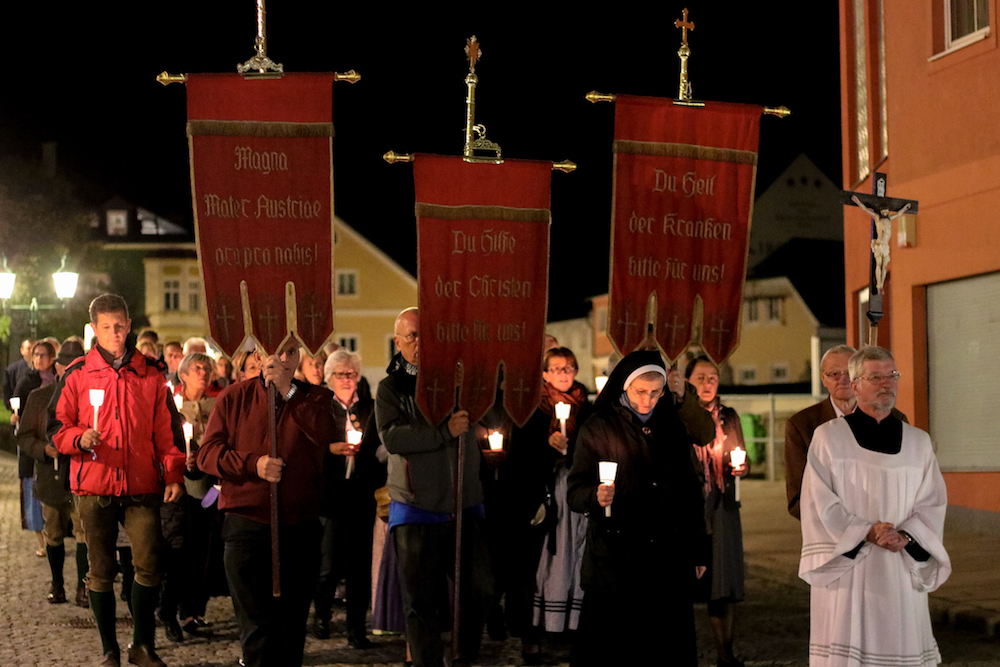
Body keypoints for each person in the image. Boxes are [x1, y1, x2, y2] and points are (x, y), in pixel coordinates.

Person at [53, 293, 185, 667]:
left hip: (141, 485)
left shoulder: (150, 373)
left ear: (130, 325)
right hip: (94, 486)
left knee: (148, 563)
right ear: (93, 329)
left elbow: (166, 429)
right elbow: (57, 428)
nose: (115, 333)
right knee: (100, 571)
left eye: (121, 326)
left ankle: (142, 646)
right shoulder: (78, 373)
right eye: (107, 327)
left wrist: (173, 471)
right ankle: (109, 649)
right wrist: (79, 438)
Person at [799, 346, 950, 667]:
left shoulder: (918, 442)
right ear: (854, 385)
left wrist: (907, 537)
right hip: (851, 570)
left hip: (900, 566)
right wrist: (866, 532)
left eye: (891, 376)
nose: (886, 384)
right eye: (876, 377)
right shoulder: (828, 438)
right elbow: (817, 502)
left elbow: (933, 503)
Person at [567, 349, 715, 667]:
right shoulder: (598, 427)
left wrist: (699, 549)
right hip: (616, 558)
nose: (647, 400)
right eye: (640, 392)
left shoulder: (672, 427)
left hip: (667, 559)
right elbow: (575, 491)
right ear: (624, 386)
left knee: (665, 648)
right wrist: (596, 496)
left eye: (655, 392)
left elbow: (690, 493)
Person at [197, 341, 336, 667]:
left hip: (299, 527)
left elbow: (325, 433)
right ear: (258, 357)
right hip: (248, 524)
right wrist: (252, 465)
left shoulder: (316, 397)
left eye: (290, 352)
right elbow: (207, 454)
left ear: (298, 356)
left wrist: (288, 392)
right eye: (273, 351)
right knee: (258, 630)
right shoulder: (234, 397)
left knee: (292, 630)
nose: (282, 358)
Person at [375, 307, 492, 667]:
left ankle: (464, 658)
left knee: (481, 590)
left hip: (464, 503)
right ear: (398, 342)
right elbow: (393, 437)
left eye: (425, 334)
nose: (420, 343)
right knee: (421, 602)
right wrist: (443, 433)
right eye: (411, 336)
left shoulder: (457, 380)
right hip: (417, 508)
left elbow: (487, 412)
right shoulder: (391, 387)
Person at [503, 347, 591, 663]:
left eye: (569, 367)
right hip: (542, 497)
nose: (563, 373)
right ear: (544, 374)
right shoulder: (533, 409)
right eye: (556, 369)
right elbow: (521, 456)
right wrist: (548, 447)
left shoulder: (587, 407)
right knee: (538, 566)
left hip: (577, 497)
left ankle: (571, 629)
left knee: (575, 560)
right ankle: (532, 635)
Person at [785, 345, 908, 520]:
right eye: (834, 374)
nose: (843, 380)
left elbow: (904, 481)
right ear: (823, 379)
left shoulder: (893, 419)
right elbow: (798, 498)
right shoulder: (802, 425)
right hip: (829, 530)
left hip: (885, 526)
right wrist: (849, 526)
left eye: (849, 373)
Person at [312, 348, 382, 647]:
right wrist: (332, 449)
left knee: (358, 566)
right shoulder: (321, 408)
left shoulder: (369, 408)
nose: (346, 379)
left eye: (351, 374)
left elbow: (380, 446)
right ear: (329, 378)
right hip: (331, 496)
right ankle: (321, 616)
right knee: (328, 564)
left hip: (361, 495)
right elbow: (311, 449)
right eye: (340, 374)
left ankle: (357, 628)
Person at [686, 356, 749, 667]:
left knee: (723, 583)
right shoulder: (680, 416)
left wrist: (741, 465)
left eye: (712, 377)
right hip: (691, 507)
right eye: (700, 377)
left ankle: (726, 652)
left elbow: (740, 451)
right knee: (689, 579)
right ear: (687, 381)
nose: (707, 382)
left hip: (723, 504)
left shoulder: (729, 417)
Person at [16, 339, 89, 606]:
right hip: (51, 476)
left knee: (83, 532)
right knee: (54, 531)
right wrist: (44, 449)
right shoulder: (39, 398)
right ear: (58, 367)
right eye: (69, 366)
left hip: (81, 477)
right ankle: (57, 583)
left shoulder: (89, 400)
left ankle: (84, 586)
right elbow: (24, 437)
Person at [158, 352, 217, 642]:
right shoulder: (173, 405)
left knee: (203, 552)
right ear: (183, 374)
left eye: (207, 368)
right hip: (180, 487)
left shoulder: (216, 406)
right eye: (197, 368)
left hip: (208, 489)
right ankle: (171, 608)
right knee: (180, 551)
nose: (203, 373)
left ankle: (194, 609)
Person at [14, 340, 57, 558]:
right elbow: (18, 409)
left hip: (53, 444)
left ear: (51, 358)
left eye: (43, 355)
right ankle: (42, 540)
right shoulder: (26, 381)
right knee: (32, 493)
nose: (39, 359)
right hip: (33, 445)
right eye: (36, 355)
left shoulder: (59, 381)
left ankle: (53, 537)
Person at [3, 337, 35, 410]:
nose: (32, 351)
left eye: (34, 348)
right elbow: (8, 392)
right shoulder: (12, 370)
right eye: (29, 348)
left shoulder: (43, 369)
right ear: (22, 350)